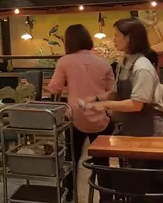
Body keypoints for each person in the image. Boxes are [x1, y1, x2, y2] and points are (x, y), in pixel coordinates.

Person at [48, 24, 114, 200]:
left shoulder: (65, 61)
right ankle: (106, 198)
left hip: (75, 117)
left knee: (71, 159)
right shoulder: (103, 63)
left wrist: (69, 84)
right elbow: (112, 92)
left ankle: (69, 195)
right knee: (103, 162)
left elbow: (54, 88)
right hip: (101, 118)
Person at [84, 18, 163, 137]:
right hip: (130, 125)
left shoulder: (142, 66)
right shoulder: (122, 63)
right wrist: (96, 98)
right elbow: (117, 93)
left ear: (129, 38)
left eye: (116, 35)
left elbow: (136, 105)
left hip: (149, 129)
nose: (113, 39)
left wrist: (105, 104)